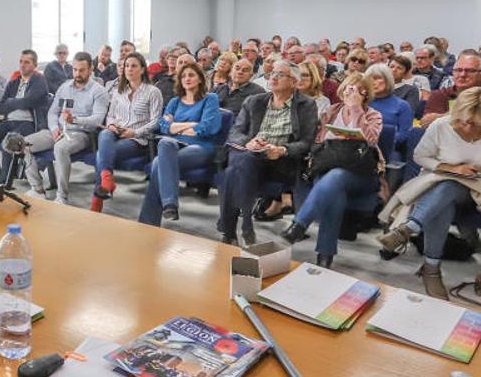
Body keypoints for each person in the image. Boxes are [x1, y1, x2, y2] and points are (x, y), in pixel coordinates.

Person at [376, 87, 481, 299]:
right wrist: (453, 169)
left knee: (452, 187)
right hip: (434, 181)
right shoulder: (442, 125)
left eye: (475, 123)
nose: (467, 127)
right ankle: (431, 268)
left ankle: (410, 230)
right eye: (463, 120)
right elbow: (421, 157)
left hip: (476, 188)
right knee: (447, 193)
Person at [279, 73, 384, 269]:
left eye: (354, 90)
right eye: (347, 88)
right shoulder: (330, 112)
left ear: (364, 94)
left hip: (360, 173)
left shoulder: (373, 114)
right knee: (334, 190)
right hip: (328, 166)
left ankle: (299, 225)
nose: (349, 93)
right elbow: (317, 142)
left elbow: (371, 140)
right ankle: (324, 256)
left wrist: (355, 109)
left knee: (334, 179)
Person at [217, 61, 319, 246]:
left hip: (281, 162)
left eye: (280, 74)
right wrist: (250, 141)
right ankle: (244, 224)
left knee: (232, 172)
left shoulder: (307, 105)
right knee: (239, 164)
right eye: (272, 73)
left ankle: (232, 228)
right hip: (252, 156)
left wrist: (283, 149)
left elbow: (306, 142)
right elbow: (235, 132)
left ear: (294, 82)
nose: (273, 77)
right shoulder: (254, 101)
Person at [15, 52, 109, 205]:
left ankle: (62, 197)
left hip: (81, 133)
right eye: (75, 69)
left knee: (60, 148)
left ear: (91, 69)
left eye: (82, 70)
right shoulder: (65, 87)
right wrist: (53, 128)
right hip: (57, 130)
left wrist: (75, 120)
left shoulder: (99, 91)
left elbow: (97, 120)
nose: (77, 74)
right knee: (23, 143)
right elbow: (53, 112)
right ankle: (37, 189)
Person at [137, 62, 222, 225]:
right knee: (165, 144)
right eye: (183, 76)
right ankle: (169, 205)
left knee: (157, 163)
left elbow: (208, 128)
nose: (187, 78)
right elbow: (163, 127)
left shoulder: (210, 99)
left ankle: (152, 219)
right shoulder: (175, 101)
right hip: (175, 145)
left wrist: (176, 126)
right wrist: (191, 124)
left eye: (191, 75)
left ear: (199, 79)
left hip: (201, 148)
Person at [91, 52, 163, 212]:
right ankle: (107, 181)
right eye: (126, 66)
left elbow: (156, 121)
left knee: (100, 155)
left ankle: (97, 200)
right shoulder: (118, 91)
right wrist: (111, 125)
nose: (129, 69)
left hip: (138, 140)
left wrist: (135, 132)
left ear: (143, 69)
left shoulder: (153, 92)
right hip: (116, 133)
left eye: (134, 66)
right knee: (104, 133)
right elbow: (110, 115)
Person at [0, 49, 49, 185]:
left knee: (9, 143)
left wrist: (11, 102)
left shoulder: (39, 81)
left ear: (34, 65)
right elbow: (2, 108)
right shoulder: (14, 83)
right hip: (9, 121)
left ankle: (4, 184)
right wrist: (15, 103)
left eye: (27, 62)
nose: (22, 65)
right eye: (21, 61)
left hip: (28, 124)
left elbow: (29, 101)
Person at [421, 51, 481, 128]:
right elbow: (427, 123)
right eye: (458, 70)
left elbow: (480, 124)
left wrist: (442, 117)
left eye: (470, 70)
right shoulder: (440, 95)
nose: (462, 74)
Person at [366, 64, 413, 151]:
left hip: (389, 150)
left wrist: (377, 140)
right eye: (369, 79)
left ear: (388, 80)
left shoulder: (402, 105)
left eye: (377, 78)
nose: (373, 82)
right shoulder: (362, 102)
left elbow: (404, 135)